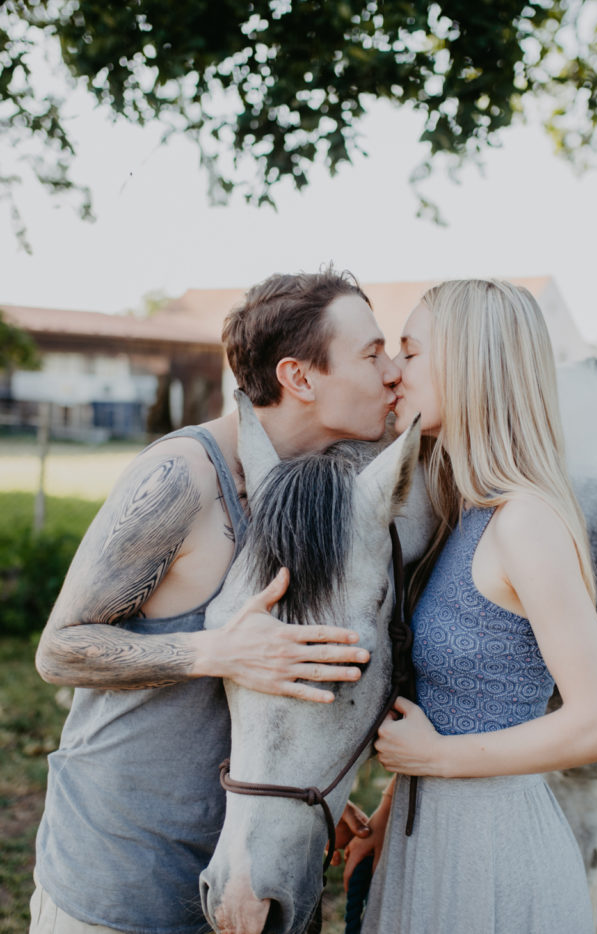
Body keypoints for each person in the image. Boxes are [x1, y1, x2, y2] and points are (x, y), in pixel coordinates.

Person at [31, 267, 400, 934]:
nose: (394, 372)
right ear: (300, 378)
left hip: (244, 869)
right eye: (373, 354)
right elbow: (59, 651)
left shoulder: (309, 493)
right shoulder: (184, 476)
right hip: (126, 876)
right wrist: (217, 651)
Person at [343, 279, 597, 933]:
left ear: (470, 364)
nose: (394, 372)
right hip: (425, 836)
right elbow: (449, 706)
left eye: (412, 353)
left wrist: (435, 760)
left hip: (494, 859)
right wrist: (387, 820)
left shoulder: (526, 523)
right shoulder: (465, 509)